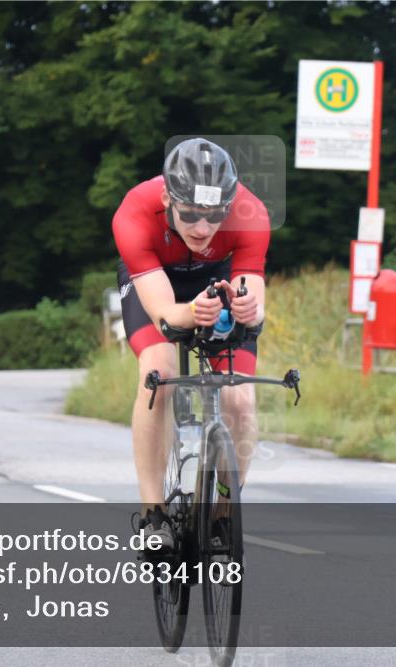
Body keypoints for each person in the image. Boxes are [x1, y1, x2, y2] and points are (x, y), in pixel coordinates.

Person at [112, 138, 270, 549]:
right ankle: (154, 517)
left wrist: (248, 308)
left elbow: (253, 297)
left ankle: (223, 515)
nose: (202, 229)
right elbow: (165, 312)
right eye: (190, 215)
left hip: (217, 277)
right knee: (158, 374)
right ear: (168, 198)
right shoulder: (135, 211)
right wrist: (191, 312)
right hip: (154, 279)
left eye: (215, 216)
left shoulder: (251, 213)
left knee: (240, 400)